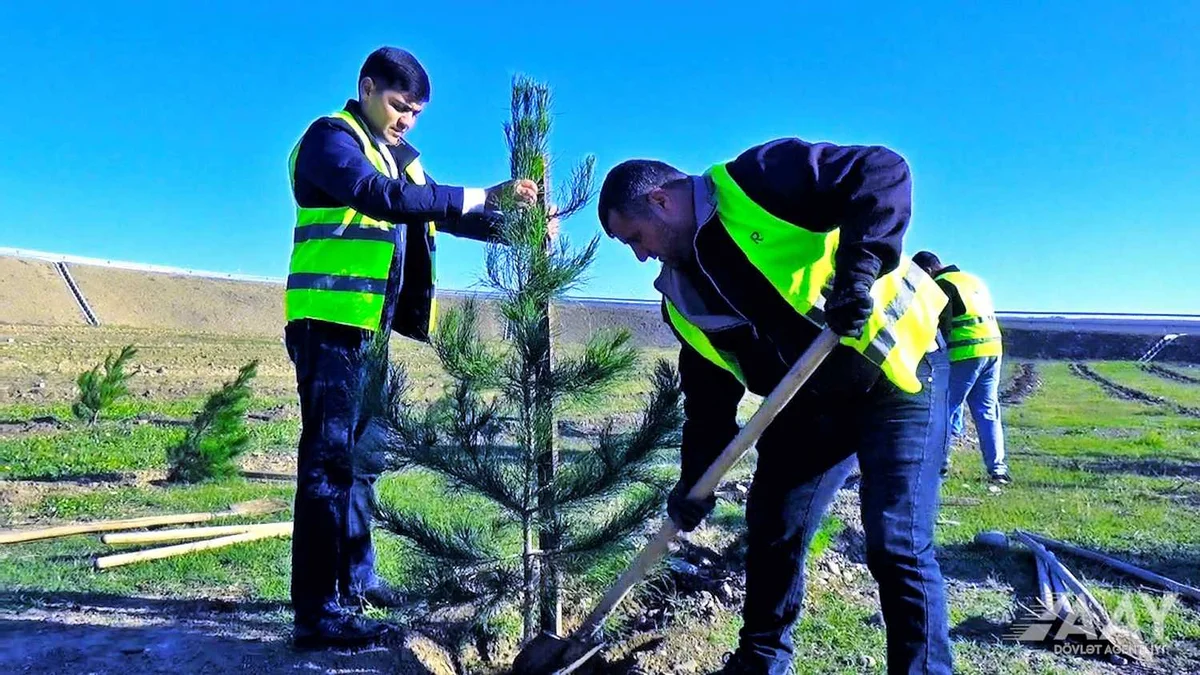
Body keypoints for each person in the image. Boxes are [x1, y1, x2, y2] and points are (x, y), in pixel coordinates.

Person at [598, 139, 953, 675]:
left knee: (894, 540)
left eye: (635, 237)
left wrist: (859, 273)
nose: (640, 255)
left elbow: (882, 169)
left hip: (898, 370)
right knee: (772, 526)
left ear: (662, 200)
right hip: (811, 397)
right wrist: (695, 482)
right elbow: (709, 398)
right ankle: (761, 662)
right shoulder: (683, 297)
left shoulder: (757, 181)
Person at [283, 46, 537, 650]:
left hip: (368, 330)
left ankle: (358, 577)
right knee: (327, 464)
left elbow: (434, 215)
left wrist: (517, 224)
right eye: (400, 107)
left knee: (362, 461)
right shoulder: (331, 139)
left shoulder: (401, 158)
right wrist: (482, 194)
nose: (406, 121)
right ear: (367, 87)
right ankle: (319, 612)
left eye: (417, 113)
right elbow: (378, 197)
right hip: (329, 324)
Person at [911, 251, 1010, 484]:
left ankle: (938, 467)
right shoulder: (973, 280)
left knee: (944, 410)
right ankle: (998, 471)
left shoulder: (941, 286)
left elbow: (940, 328)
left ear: (927, 271)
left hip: (965, 353)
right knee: (987, 412)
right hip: (993, 351)